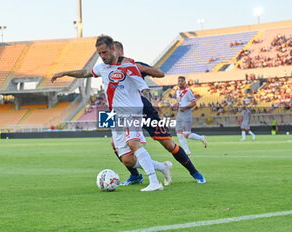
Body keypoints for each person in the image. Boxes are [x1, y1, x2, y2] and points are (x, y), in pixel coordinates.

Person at [52, 35, 171, 192]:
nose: (102, 56)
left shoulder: (128, 65)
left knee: (134, 143)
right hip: (115, 115)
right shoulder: (102, 68)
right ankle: (162, 167)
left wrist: (153, 103)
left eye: (105, 52)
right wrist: (65, 73)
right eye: (99, 54)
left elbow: (143, 86)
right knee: (128, 159)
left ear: (113, 49)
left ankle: (154, 182)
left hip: (132, 111)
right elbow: (85, 73)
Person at [113, 41, 206, 185]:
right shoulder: (106, 70)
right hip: (121, 111)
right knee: (115, 143)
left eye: (112, 52)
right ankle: (136, 176)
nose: (108, 56)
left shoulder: (133, 66)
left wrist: (142, 68)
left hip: (144, 110)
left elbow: (160, 73)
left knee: (168, 144)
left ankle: (195, 172)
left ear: (120, 52)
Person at [175, 76, 207, 155]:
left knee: (186, 134)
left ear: (184, 82)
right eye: (179, 81)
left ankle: (201, 138)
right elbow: (180, 102)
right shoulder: (177, 92)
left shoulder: (188, 91)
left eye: (182, 81)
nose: (180, 82)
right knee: (179, 132)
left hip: (186, 113)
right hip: (180, 113)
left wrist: (185, 108)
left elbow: (194, 103)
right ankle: (187, 151)